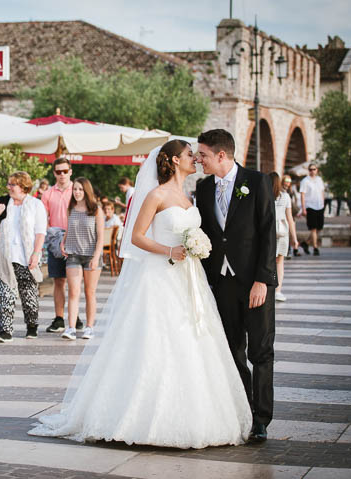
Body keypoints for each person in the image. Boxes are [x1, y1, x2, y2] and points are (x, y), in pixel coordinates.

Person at [30, 139, 252, 447]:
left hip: (190, 279)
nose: (196, 159)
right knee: (158, 340)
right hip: (159, 277)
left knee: (193, 339)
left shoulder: (189, 195)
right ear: (174, 161)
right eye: (190, 155)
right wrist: (169, 250)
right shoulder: (156, 194)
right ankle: (141, 417)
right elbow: (135, 237)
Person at [195, 129, 277, 442]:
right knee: (231, 350)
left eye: (202, 154)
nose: (198, 159)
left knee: (260, 351)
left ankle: (261, 419)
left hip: (255, 283)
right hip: (223, 283)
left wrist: (263, 280)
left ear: (221, 155)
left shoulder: (257, 182)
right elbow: (208, 233)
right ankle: (243, 409)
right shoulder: (203, 188)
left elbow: (268, 232)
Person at [0, 171, 47, 342]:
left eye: (12, 184)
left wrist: (36, 254)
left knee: (28, 296)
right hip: (6, 257)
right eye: (8, 184)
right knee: (6, 296)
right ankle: (5, 331)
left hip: (26, 257)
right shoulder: (3, 203)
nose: (8, 187)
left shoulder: (36, 205)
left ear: (23, 186)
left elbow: (40, 232)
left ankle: (32, 325)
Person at [41, 158, 82, 333]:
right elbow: (43, 219)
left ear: (70, 171)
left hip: (76, 240)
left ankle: (75, 315)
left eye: (65, 171)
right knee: (58, 280)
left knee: (75, 282)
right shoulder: (48, 194)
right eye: (58, 171)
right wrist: (49, 236)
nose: (62, 174)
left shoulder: (78, 191)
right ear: (54, 173)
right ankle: (59, 318)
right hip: (56, 242)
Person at [60, 177, 104, 340]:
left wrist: (96, 257)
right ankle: (71, 328)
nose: (77, 192)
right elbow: (69, 228)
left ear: (86, 191)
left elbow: (101, 237)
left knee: (89, 292)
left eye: (80, 189)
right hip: (73, 254)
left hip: (91, 255)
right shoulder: (70, 207)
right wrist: (63, 242)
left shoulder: (96, 210)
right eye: (75, 189)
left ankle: (89, 327)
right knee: (73, 291)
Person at [270, 172, 298, 302]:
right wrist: (295, 238)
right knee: (279, 262)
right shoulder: (285, 196)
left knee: (267, 261)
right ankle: (278, 291)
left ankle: (268, 288)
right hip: (282, 232)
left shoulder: (265, 195)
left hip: (268, 231)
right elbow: (290, 218)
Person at [299, 163, 325, 256]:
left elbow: (322, 192)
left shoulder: (319, 180)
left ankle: (306, 243)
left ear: (317, 170)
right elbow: (302, 194)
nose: (312, 171)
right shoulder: (305, 181)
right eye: (310, 169)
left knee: (319, 228)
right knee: (313, 228)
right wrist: (303, 208)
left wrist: (323, 203)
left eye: (314, 169)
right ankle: (315, 247)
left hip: (320, 206)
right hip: (310, 206)